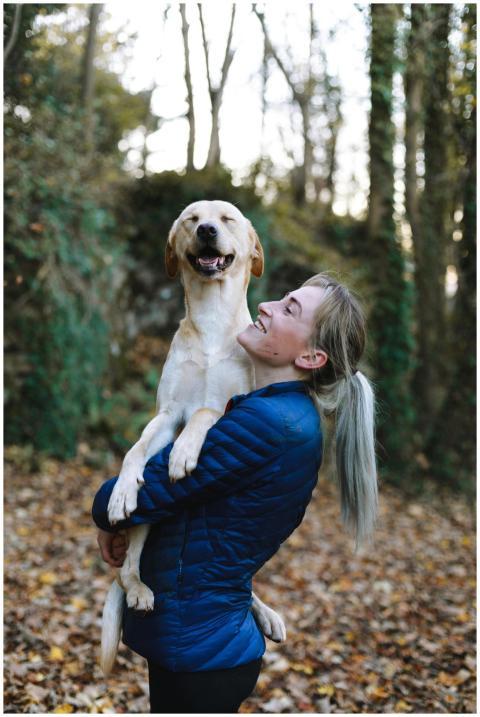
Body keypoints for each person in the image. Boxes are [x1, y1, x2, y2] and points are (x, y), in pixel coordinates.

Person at [92, 272, 378, 714]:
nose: (267, 306)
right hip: (203, 642)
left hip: (200, 651)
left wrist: (106, 512)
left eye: (289, 310)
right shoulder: (276, 413)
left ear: (311, 355)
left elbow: (141, 494)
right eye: (282, 299)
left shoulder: (266, 424)